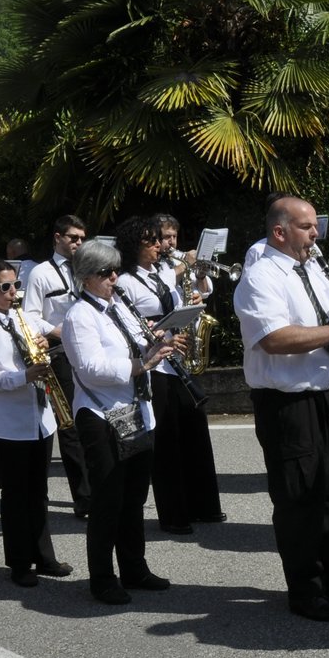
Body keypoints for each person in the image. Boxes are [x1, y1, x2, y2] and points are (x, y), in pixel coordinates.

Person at [233, 196, 329, 622]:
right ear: (280, 232)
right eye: (307, 227)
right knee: (299, 495)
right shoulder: (260, 277)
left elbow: (325, 318)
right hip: (287, 402)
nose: (316, 234)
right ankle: (304, 587)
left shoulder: (313, 268)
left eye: (315, 226)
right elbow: (273, 339)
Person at [61, 241, 175, 606]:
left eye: (116, 270)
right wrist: (141, 365)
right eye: (106, 273)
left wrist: (160, 343)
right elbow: (91, 369)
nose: (115, 277)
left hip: (136, 410)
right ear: (86, 278)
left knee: (135, 498)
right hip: (101, 417)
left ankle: (134, 568)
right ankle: (102, 577)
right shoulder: (79, 316)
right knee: (108, 500)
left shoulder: (119, 307)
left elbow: (138, 344)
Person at [0, 259, 73, 587]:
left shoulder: (20, 317)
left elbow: (38, 349)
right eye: (6, 287)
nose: (14, 293)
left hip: (39, 417)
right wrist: (20, 377)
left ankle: (44, 556)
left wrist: (42, 346)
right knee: (15, 495)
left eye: (16, 286)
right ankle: (20, 562)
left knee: (38, 492)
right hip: (6, 423)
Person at [113, 216, 224, 536]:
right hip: (154, 362)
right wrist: (157, 332)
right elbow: (127, 322)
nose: (160, 245)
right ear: (135, 246)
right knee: (166, 440)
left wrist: (192, 302)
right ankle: (174, 514)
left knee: (194, 428)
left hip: (178, 356)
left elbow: (192, 293)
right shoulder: (126, 281)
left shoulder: (161, 272)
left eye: (158, 240)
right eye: (151, 241)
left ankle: (204, 506)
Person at [23, 214, 92, 519]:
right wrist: (56, 330)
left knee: (97, 419)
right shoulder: (40, 273)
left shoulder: (87, 267)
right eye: (73, 237)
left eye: (82, 238)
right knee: (71, 426)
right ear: (57, 238)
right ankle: (84, 497)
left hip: (90, 350)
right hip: (61, 353)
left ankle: (100, 486)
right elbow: (29, 315)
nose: (78, 242)